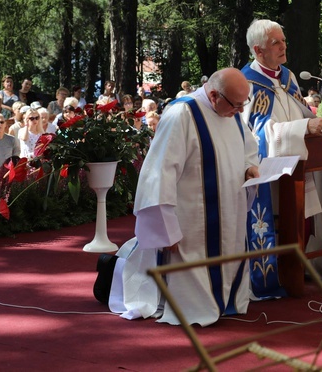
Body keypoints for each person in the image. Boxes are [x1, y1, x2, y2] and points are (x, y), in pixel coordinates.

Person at [106, 68, 260, 325]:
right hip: (192, 222)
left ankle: (227, 301)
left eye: (244, 103)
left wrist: (249, 167)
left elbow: (246, 148)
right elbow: (159, 172)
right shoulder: (182, 114)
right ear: (213, 95)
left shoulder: (231, 111)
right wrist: (164, 228)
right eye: (236, 104)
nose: (241, 111)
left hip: (229, 214)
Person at [241, 19, 322, 294]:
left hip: (296, 164)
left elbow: (300, 113)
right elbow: (258, 135)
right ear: (258, 50)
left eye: (283, 40)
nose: (284, 46)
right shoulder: (247, 83)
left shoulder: (288, 77)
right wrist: (305, 127)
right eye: (276, 42)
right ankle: (275, 274)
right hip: (266, 172)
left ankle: (302, 266)